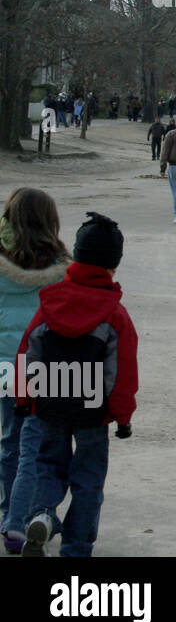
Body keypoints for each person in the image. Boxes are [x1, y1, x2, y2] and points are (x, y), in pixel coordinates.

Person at [18, 211, 137, 557]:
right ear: (113, 265)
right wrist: (123, 416)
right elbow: (122, 372)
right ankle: (76, 546)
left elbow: (28, 350)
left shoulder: (51, 300)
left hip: (50, 403)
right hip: (92, 410)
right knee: (88, 480)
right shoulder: (115, 314)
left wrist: (26, 400)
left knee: (48, 465)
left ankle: (40, 515)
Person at [0, 189, 70, 553]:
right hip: (47, 368)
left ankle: (8, 514)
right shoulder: (61, 264)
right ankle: (30, 517)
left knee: (9, 443)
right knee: (41, 445)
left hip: (4, 369)